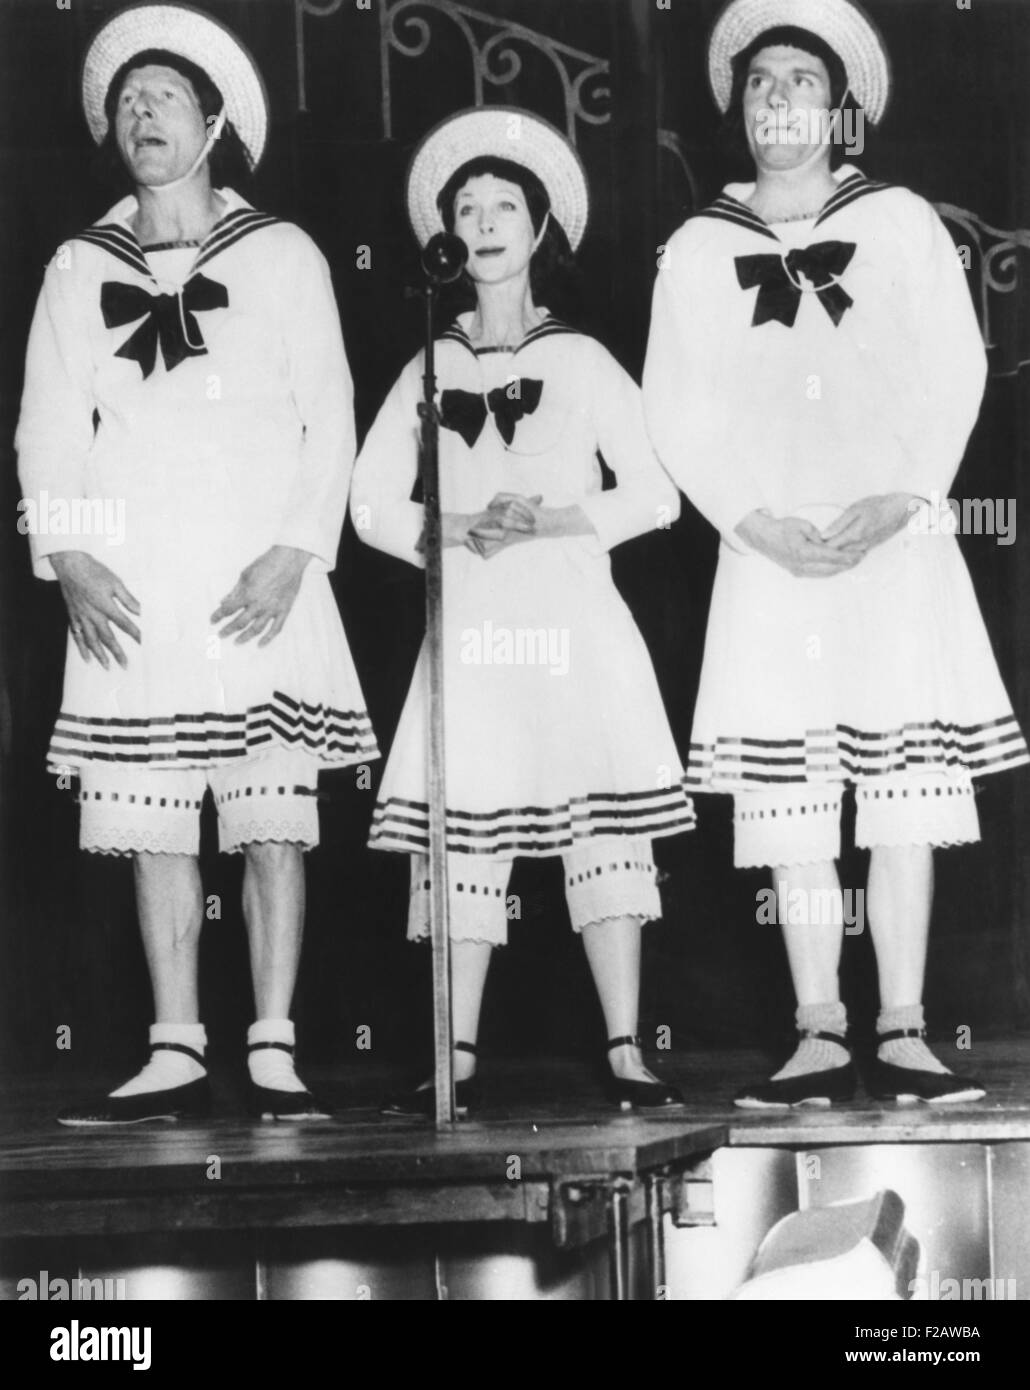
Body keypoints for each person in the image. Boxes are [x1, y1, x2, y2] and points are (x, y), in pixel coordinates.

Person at [643, 0, 1029, 1107]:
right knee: (792, 799)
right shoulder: (698, 246)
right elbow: (675, 406)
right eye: (760, 82)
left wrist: (903, 496)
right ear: (738, 107)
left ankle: (903, 1028)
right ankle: (818, 1028)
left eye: (801, 81)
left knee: (902, 785)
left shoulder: (900, 220)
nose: (778, 100)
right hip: (771, 554)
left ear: (839, 106)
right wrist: (749, 518)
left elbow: (955, 367)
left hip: (892, 544)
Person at [16, 3, 377, 1124]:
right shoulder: (79, 264)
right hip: (133, 589)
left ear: (214, 124)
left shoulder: (283, 253)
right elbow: (46, 428)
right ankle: (174, 1047)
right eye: (129, 101)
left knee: (269, 816)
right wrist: (68, 554)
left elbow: (331, 413)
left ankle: (273, 1047)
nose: (144, 115)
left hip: (259, 581)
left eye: (165, 97)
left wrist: (296, 550)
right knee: (155, 821)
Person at [350, 107, 695, 1116]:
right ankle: (453, 1054)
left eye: (505, 206)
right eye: (468, 208)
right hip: (472, 632)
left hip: (573, 625)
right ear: (446, 235)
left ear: (541, 229)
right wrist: (459, 526)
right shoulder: (429, 364)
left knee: (602, 832)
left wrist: (549, 518)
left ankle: (626, 1047)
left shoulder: (582, 360)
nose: (486, 223)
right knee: (464, 832)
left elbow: (658, 495)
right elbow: (368, 506)